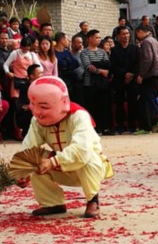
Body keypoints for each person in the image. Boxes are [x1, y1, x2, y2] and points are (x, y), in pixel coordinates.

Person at [21, 76, 114, 218]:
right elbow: (28, 148)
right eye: (33, 105)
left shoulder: (79, 116)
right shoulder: (37, 120)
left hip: (89, 167)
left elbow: (81, 149)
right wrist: (21, 171)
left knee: (89, 157)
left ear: (64, 102)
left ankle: (93, 200)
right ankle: (52, 203)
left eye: (44, 107)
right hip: (61, 166)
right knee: (33, 160)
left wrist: (53, 161)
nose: (37, 112)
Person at [80, 29, 113, 135]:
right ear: (89, 39)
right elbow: (88, 66)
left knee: (104, 105)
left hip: (102, 84)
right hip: (89, 83)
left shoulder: (102, 51)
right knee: (92, 107)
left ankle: (105, 127)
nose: (98, 39)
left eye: (99, 38)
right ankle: (94, 128)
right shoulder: (84, 52)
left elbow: (107, 64)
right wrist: (101, 70)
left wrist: (97, 65)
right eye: (96, 37)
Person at [110, 26, 139, 133]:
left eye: (127, 33)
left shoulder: (135, 48)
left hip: (133, 79)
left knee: (133, 102)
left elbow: (138, 63)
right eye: (123, 34)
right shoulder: (114, 50)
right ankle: (120, 125)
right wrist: (124, 74)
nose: (126, 36)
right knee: (119, 102)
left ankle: (132, 125)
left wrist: (131, 74)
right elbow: (113, 66)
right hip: (119, 79)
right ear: (118, 36)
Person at [135, 23, 158, 134]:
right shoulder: (155, 41)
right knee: (147, 99)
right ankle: (150, 124)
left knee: (145, 100)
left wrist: (141, 74)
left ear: (140, 32)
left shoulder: (146, 42)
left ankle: (152, 121)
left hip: (150, 74)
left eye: (137, 33)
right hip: (157, 73)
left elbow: (147, 59)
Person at [16, 64, 43, 138]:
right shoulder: (25, 87)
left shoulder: (43, 87)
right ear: (32, 76)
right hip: (27, 112)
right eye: (40, 74)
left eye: (42, 73)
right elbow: (23, 104)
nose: (42, 75)